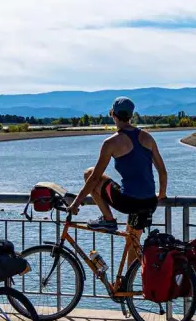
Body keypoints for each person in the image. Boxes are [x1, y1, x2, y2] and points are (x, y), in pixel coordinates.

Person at [68, 97, 168, 261]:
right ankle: (127, 284)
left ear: (113, 115)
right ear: (131, 115)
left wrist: (75, 204)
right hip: (149, 202)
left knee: (88, 173)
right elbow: (162, 172)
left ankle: (108, 219)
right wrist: (161, 195)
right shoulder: (147, 137)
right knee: (132, 242)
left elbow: (93, 179)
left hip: (129, 202)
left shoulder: (111, 143)